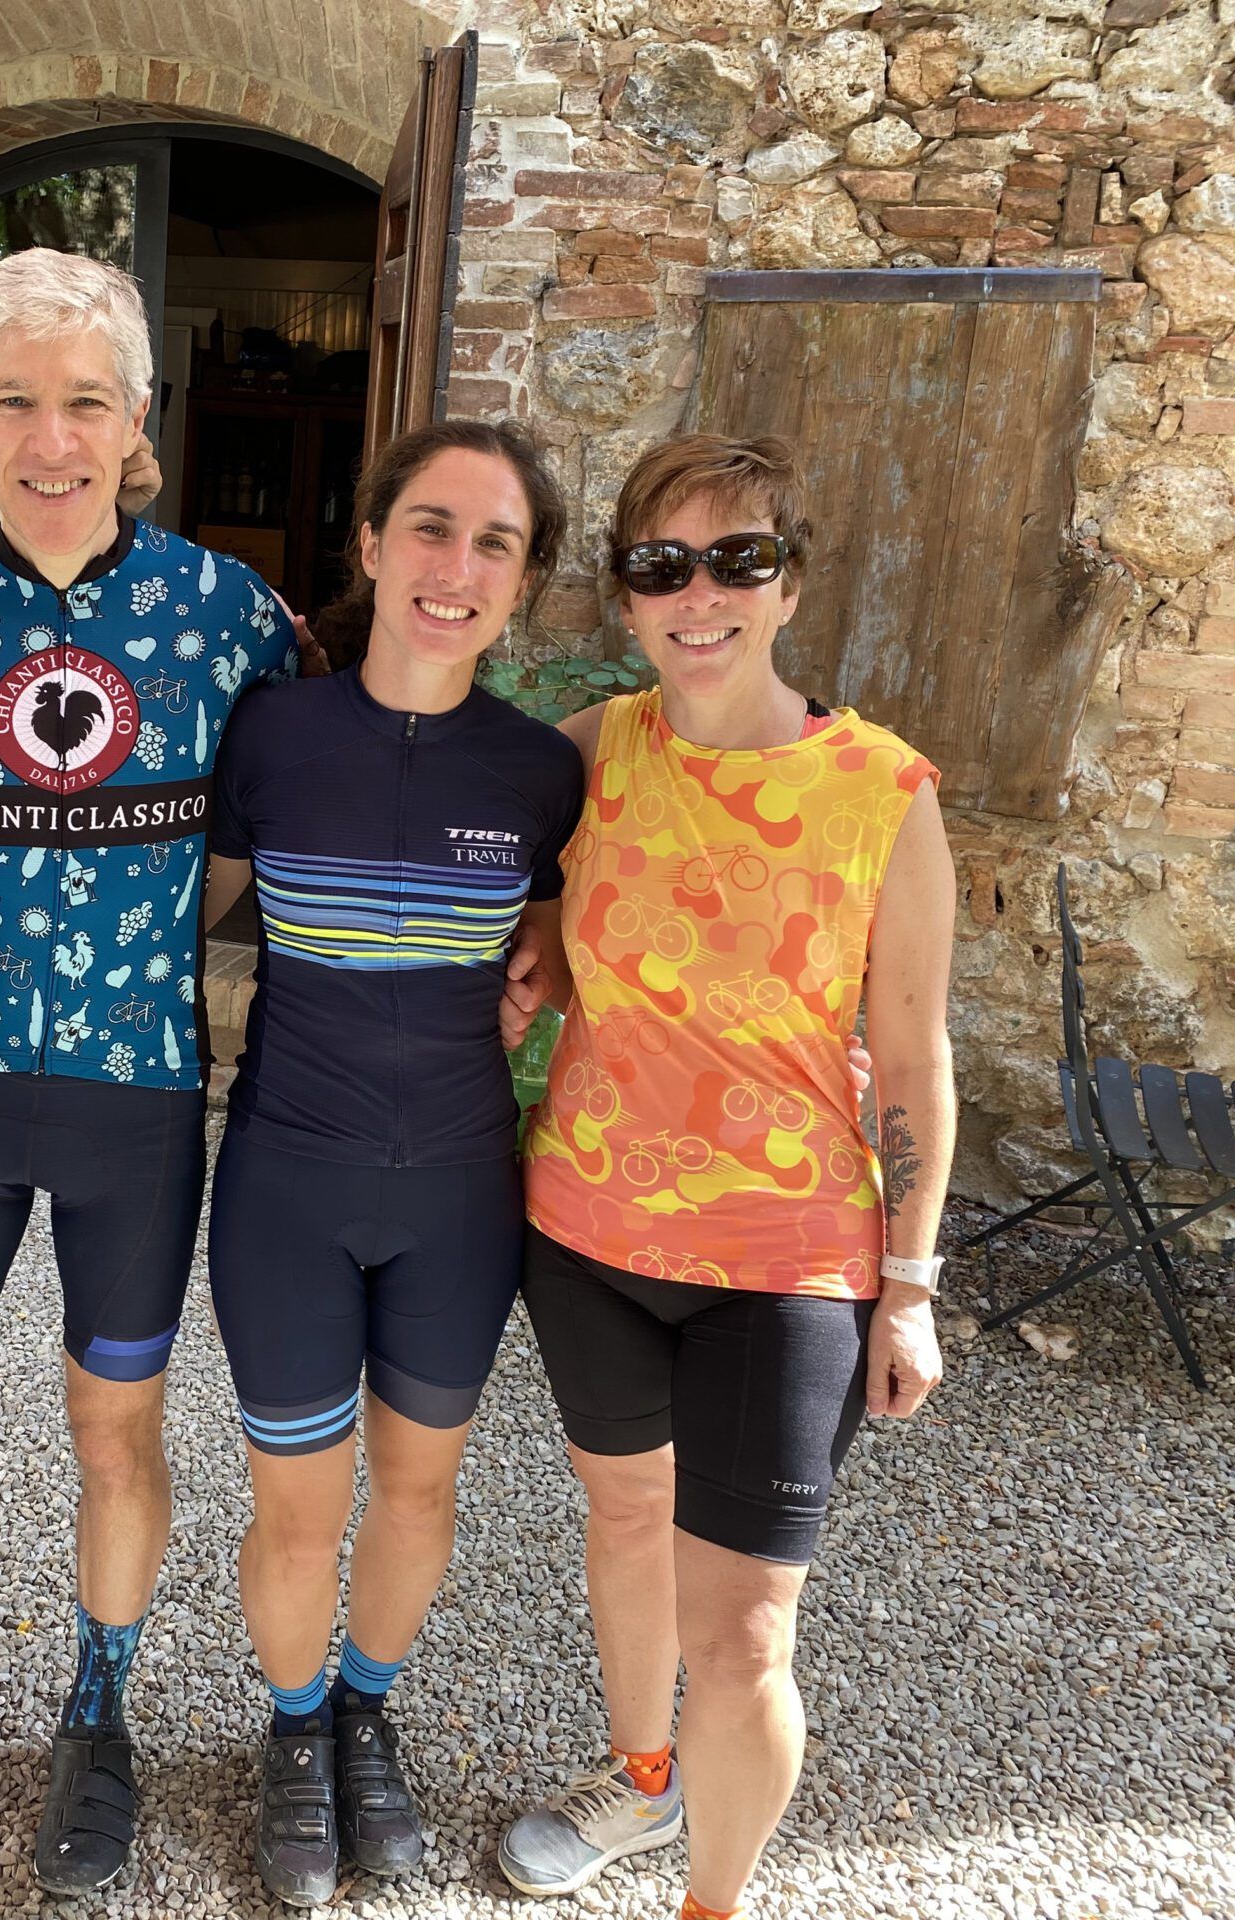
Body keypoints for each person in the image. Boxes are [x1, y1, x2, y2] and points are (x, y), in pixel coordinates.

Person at [0, 247, 297, 1895]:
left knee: (116, 1430)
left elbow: (307, 801)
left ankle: (101, 1704)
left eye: (84, 399)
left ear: (136, 416)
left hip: (138, 1093)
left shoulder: (232, 616)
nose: (51, 433)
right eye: (14, 398)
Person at [493, 434, 955, 1920]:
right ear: (625, 597)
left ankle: (716, 1900)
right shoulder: (586, 754)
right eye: (660, 565)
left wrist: (912, 1285)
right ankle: (640, 1783)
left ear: (789, 583)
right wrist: (541, 953)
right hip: (587, 1233)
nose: (699, 595)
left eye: (737, 561)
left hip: (789, 1262)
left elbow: (918, 1051)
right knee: (622, 1522)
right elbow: (524, 909)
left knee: (748, 1632)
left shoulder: (884, 792)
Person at [192, 419, 582, 1904]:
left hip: (459, 1199)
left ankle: (366, 1710)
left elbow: (603, 931)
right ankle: (292, 1733)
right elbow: (163, 911)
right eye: (430, 527)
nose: (455, 566)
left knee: (418, 1494)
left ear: (524, 581)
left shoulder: (545, 776)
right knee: (297, 1502)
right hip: (288, 1181)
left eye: (495, 542)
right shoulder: (276, 736)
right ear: (369, 544)